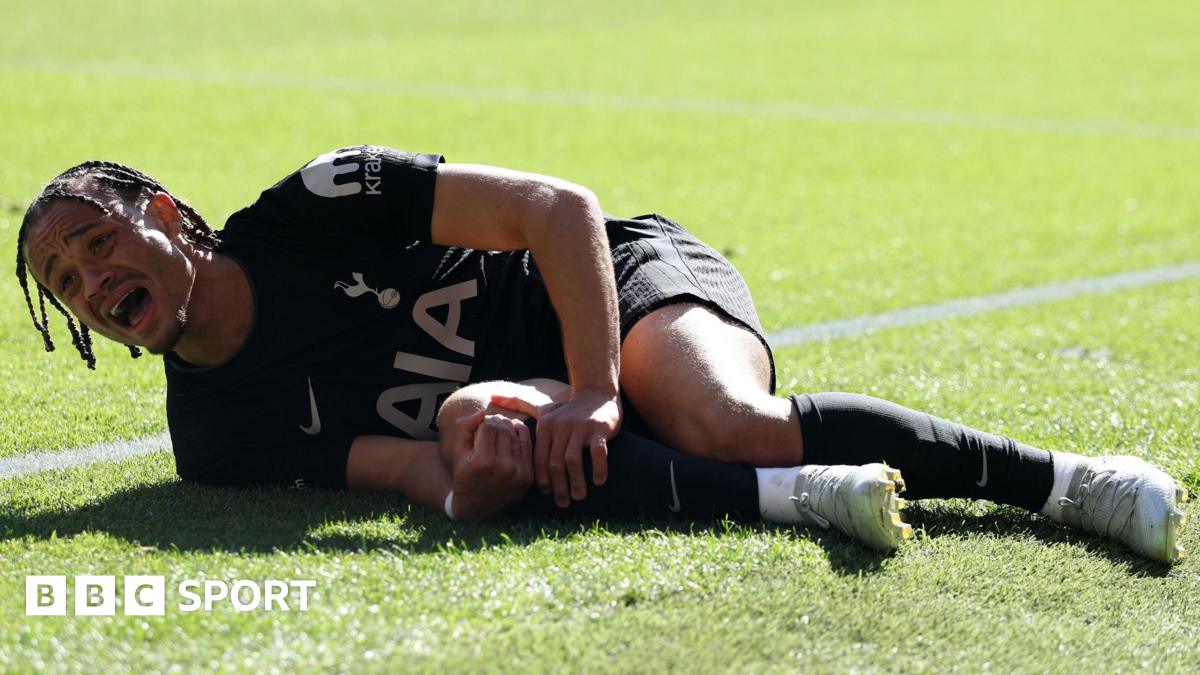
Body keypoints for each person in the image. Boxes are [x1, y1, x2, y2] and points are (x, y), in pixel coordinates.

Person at [15, 146, 1189, 563]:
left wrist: (590, 385)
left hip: (612, 282)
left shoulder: (318, 203)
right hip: (531, 386)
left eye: (97, 244)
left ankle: (1070, 482)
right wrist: (471, 482)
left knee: (725, 421)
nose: (92, 284)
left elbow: (556, 208)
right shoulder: (213, 438)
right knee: (476, 425)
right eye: (66, 284)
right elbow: (415, 474)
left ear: (162, 215)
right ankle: (813, 497)